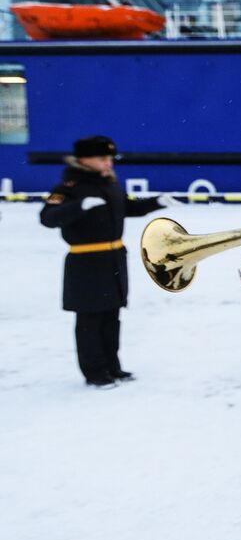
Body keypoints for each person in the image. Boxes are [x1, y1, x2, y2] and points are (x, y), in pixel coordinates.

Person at [39, 135, 166, 388]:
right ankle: (95, 372)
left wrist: (156, 203)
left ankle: (112, 367)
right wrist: (79, 207)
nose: (109, 163)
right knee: (89, 320)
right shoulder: (69, 187)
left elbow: (126, 207)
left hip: (113, 258)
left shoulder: (109, 185)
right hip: (85, 260)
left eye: (110, 158)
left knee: (111, 316)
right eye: (103, 158)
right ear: (84, 160)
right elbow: (48, 217)